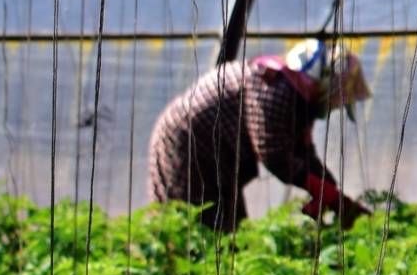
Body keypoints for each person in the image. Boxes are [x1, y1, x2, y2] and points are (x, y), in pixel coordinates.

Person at [147, 37, 369, 232]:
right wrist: (321, 190)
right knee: (196, 228)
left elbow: (302, 151)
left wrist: (331, 189)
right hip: (185, 146)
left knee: (228, 229)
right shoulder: (275, 89)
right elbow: (275, 155)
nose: (333, 106)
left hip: (213, 154)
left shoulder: (295, 94)